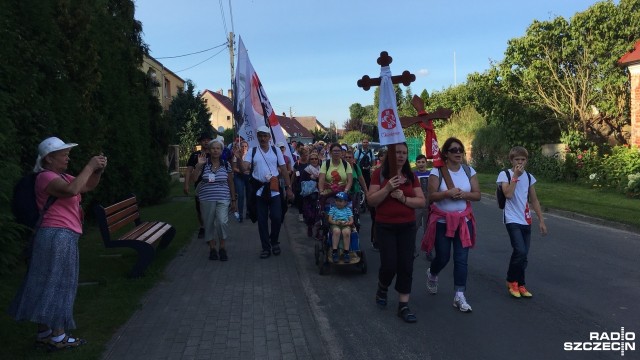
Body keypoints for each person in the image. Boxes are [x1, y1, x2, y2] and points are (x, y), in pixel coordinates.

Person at [9, 136, 107, 350]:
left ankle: (45, 333)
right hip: (58, 236)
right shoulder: (45, 178)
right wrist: (89, 165)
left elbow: (86, 186)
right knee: (61, 284)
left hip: (56, 236)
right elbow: (72, 190)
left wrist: (97, 170)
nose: (67, 158)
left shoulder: (60, 176)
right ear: (49, 158)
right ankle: (59, 336)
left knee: (46, 282)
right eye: (63, 155)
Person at [367, 143, 425, 323]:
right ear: (391, 154)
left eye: (404, 153)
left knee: (406, 265)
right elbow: (371, 201)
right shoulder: (379, 174)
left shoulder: (410, 176)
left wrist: (403, 198)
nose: (401, 156)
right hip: (385, 226)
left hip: (407, 226)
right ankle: (382, 286)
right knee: (390, 265)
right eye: (397, 152)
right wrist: (387, 189)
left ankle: (403, 306)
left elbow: (422, 201)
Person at [422, 137, 481, 313]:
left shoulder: (469, 171)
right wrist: (447, 193)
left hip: (463, 221)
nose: (458, 153)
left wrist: (463, 194)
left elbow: (477, 195)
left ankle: (459, 295)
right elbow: (431, 197)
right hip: (442, 222)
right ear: (446, 154)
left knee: (462, 260)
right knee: (443, 256)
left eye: (460, 150)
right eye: (454, 150)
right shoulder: (437, 172)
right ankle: (432, 273)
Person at [497, 146, 548, 298]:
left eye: (523, 159)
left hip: (526, 219)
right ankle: (511, 281)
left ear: (526, 160)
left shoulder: (529, 177)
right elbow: (508, 194)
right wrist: (515, 177)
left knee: (524, 255)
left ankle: (521, 283)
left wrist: (541, 221)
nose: (520, 162)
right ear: (511, 160)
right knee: (520, 250)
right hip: (512, 218)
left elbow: (534, 200)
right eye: (517, 159)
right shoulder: (505, 174)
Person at [237, 126, 294, 259]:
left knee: (276, 217)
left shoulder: (275, 150)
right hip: (259, 190)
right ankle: (266, 247)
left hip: (274, 189)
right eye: (260, 136)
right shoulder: (253, 151)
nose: (263, 138)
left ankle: (274, 241)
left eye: (265, 136)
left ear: (269, 137)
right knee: (262, 220)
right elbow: (244, 168)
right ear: (258, 137)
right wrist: (239, 159)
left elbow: (284, 169)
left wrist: (289, 187)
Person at [193, 139, 236, 261]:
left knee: (222, 221)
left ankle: (222, 247)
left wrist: (234, 200)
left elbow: (231, 182)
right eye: (213, 148)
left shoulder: (226, 164)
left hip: (223, 198)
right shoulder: (203, 163)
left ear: (222, 151)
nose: (215, 150)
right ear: (209, 150)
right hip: (206, 199)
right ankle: (212, 248)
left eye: (218, 148)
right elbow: (194, 178)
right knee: (208, 223)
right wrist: (199, 166)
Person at [185, 132, 212, 238]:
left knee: (212, 207)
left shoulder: (214, 154)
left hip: (212, 184)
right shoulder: (195, 155)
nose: (206, 141)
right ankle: (202, 227)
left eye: (208, 139)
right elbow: (188, 170)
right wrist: (186, 185)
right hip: (199, 184)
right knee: (199, 208)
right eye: (204, 140)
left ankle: (210, 227)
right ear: (200, 142)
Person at [328, 192, 355, 263]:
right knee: (337, 231)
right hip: (335, 223)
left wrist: (348, 223)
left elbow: (351, 220)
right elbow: (330, 219)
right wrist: (335, 222)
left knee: (346, 232)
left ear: (345, 202)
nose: (338, 203)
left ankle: (346, 252)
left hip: (345, 224)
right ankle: (334, 251)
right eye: (337, 201)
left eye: (340, 201)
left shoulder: (348, 209)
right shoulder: (333, 209)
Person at [414, 155, 432, 258]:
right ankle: (412, 249)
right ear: (416, 164)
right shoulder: (413, 175)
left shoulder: (430, 175)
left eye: (423, 162)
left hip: (428, 205)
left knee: (428, 229)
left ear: (426, 163)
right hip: (417, 205)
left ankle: (428, 251)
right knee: (414, 227)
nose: (421, 164)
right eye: (419, 162)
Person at [369, 148, 386, 251]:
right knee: (376, 220)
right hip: (377, 196)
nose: (386, 157)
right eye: (383, 155)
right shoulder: (375, 169)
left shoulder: (391, 169)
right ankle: (375, 240)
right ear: (380, 157)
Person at [231, 140, 250, 222]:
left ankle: (248, 212)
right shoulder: (236, 155)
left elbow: (251, 166)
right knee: (241, 195)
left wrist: (248, 171)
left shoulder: (250, 155)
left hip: (248, 176)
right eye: (242, 146)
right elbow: (234, 168)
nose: (244, 148)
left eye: (245, 146)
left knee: (249, 195)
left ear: (248, 147)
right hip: (239, 176)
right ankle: (241, 214)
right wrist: (241, 171)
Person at [291, 147, 310, 222]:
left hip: (308, 185)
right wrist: (290, 184)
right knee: (300, 200)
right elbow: (293, 175)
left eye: (307, 155)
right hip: (299, 185)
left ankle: (307, 213)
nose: (306, 156)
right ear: (301, 155)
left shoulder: (309, 163)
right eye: (305, 155)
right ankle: (301, 214)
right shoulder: (297, 163)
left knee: (307, 200)